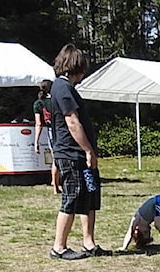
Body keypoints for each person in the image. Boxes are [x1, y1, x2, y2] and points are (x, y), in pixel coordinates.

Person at [48, 44, 111, 260]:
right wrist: (88, 150)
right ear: (76, 66)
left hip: (80, 157)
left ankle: (88, 242)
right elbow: (72, 122)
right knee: (72, 197)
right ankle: (59, 247)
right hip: (73, 154)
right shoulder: (62, 88)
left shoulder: (66, 88)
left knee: (89, 196)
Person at [33, 79, 61, 193]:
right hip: (61, 129)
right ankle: (60, 183)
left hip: (50, 131)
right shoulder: (57, 100)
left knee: (55, 158)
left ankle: (55, 186)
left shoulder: (39, 103)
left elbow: (38, 123)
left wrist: (36, 142)